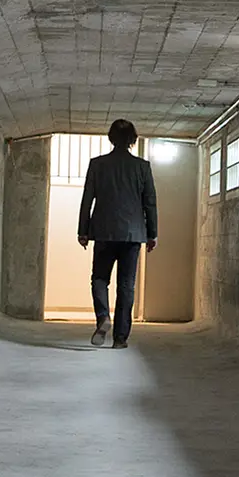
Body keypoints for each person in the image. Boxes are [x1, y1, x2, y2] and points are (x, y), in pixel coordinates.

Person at [76, 119, 158, 348]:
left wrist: (83, 230)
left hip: (103, 231)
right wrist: (152, 234)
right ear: (133, 140)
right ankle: (120, 338)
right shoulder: (142, 167)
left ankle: (103, 317)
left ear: (111, 138)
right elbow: (150, 203)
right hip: (132, 234)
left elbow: (87, 199)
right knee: (126, 285)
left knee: (100, 278)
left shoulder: (97, 164)